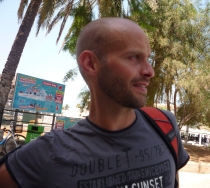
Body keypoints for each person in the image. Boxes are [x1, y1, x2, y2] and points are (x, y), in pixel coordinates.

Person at [0, 17, 189, 188]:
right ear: (91, 63)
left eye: (147, 58)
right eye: (134, 57)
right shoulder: (46, 153)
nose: (150, 71)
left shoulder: (164, 125)